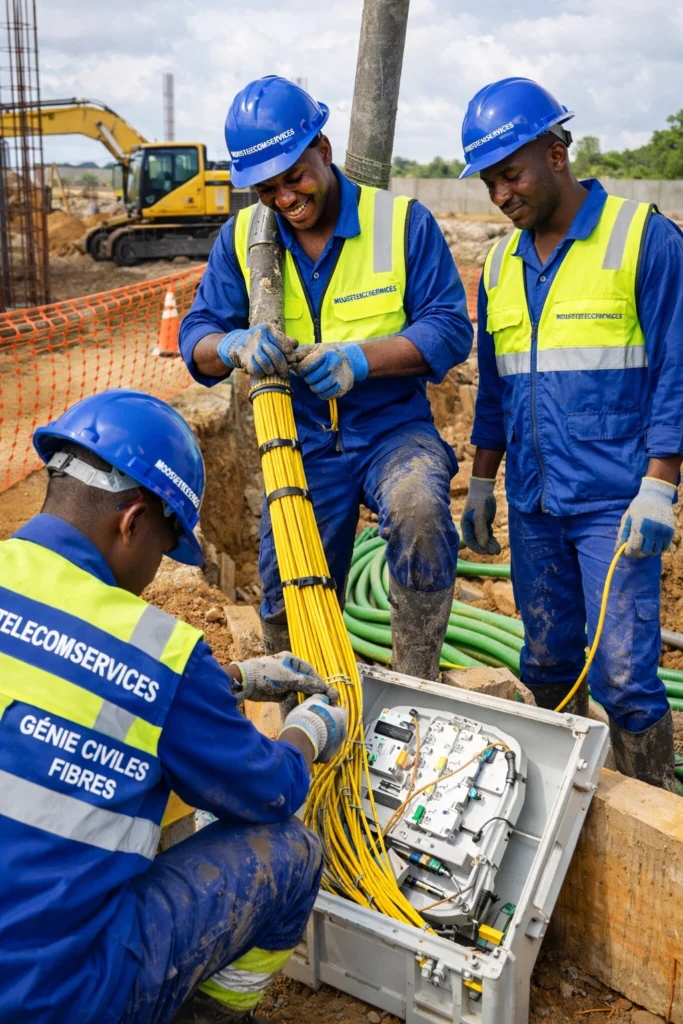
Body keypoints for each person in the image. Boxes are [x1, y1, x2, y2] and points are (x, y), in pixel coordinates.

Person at [0, 389, 348, 1024]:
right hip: (63, 993)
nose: (155, 574)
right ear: (132, 520)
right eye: (162, 551)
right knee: (291, 853)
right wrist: (307, 731)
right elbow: (269, 792)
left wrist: (231, 680)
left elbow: (50, 684)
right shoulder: (158, 654)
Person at [180, 75, 474, 681]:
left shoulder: (401, 223)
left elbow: (449, 329)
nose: (285, 197)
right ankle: (308, 717)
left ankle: (414, 677)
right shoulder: (242, 239)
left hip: (394, 430)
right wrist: (230, 343)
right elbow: (196, 339)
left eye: (294, 177)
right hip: (301, 442)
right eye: (267, 187)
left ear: (325, 149)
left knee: (420, 511)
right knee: (289, 591)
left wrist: (361, 359)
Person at [459, 77, 683, 789]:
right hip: (532, 501)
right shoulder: (499, 263)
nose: (500, 195)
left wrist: (660, 484)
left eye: (511, 174)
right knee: (548, 662)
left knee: (621, 672)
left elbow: (678, 365)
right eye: (490, 182)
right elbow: (494, 386)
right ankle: (563, 809)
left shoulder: (641, 239)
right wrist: (483, 481)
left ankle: (655, 812)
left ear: (556, 153)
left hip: (612, 501)